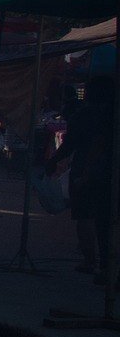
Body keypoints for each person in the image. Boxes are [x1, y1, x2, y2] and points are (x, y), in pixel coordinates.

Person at [48, 76, 115, 275]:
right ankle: (107, 266)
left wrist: (53, 161)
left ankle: (91, 262)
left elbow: (70, 145)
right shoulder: (112, 115)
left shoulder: (84, 115)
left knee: (85, 217)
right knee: (107, 221)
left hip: (87, 171)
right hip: (108, 174)